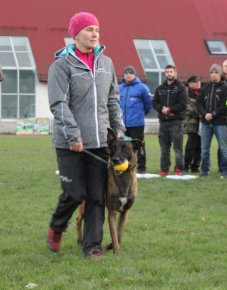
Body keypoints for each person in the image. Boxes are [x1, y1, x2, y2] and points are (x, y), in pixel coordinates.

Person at [47, 12, 125, 257]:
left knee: (95, 197)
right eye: (89, 29)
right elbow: (59, 103)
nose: (95, 34)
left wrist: (118, 128)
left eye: (97, 30)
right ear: (76, 34)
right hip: (69, 143)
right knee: (73, 194)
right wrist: (73, 136)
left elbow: (113, 98)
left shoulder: (107, 63)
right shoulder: (61, 65)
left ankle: (92, 246)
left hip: (100, 141)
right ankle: (57, 227)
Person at [152, 64, 188, 176]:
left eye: (171, 72)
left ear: (175, 73)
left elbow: (183, 104)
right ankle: (164, 169)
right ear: (165, 73)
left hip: (176, 122)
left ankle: (179, 169)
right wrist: (161, 109)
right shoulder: (160, 88)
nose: (169, 74)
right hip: (163, 123)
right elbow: (154, 102)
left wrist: (170, 109)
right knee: (164, 148)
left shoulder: (181, 88)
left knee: (177, 148)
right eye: (167, 72)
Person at [197, 64, 227, 177]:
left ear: (220, 74)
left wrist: (214, 114)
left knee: (223, 148)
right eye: (211, 72)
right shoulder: (205, 88)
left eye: (216, 72)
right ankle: (204, 170)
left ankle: (224, 171)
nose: (213, 75)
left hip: (220, 123)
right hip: (205, 123)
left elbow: (225, 104)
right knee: (204, 149)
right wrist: (204, 114)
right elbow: (199, 103)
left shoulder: (225, 88)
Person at [119, 65, 152, 174]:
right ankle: (125, 166)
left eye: (130, 73)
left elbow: (148, 105)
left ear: (134, 74)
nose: (128, 75)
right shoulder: (119, 88)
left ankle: (141, 168)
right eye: (126, 73)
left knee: (138, 145)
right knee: (123, 146)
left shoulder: (142, 88)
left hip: (137, 123)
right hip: (123, 124)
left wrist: (140, 114)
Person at [183, 75, 202, 173]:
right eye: (195, 82)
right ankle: (186, 165)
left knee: (200, 145)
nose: (198, 83)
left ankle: (196, 166)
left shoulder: (202, 93)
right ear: (190, 84)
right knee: (191, 144)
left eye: (199, 81)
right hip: (191, 122)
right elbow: (188, 108)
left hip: (202, 123)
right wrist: (202, 113)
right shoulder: (186, 94)